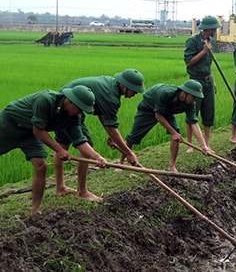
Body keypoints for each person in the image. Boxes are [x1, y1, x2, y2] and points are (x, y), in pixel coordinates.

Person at [0, 86, 107, 215]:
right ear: (70, 101)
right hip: (8, 126)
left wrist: (97, 157)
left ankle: (35, 210)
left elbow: (79, 140)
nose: (80, 112)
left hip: (29, 134)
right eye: (79, 108)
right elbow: (39, 130)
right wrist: (59, 149)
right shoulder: (46, 100)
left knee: (41, 165)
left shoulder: (73, 117)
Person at [53, 69, 145, 202]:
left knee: (63, 145)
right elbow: (112, 127)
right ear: (125, 86)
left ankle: (60, 188)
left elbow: (103, 115)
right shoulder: (111, 96)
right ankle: (82, 192)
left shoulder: (111, 85)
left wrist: (112, 137)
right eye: (134, 90)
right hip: (71, 104)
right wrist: (129, 153)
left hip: (64, 101)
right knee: (86, 146)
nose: (135, 94)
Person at [123, 80, 214, 172]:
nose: (195, 100)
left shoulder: (191, 104)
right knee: (133, 137)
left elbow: (194, 123)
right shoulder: (166, 94)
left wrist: (204, 146)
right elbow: (158, 115)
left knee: (176, 135)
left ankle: (172, 166)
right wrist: (173, 132)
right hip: (148, 108)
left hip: (167, 111)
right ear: (185, 93)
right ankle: (120, 162)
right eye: (193, 97)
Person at [184, 15, 222, 151]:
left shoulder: (211, 41)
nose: (216, 31)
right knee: (192, 112)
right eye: (215, 29)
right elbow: (189, 62)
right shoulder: (192, 41)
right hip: (195, 81)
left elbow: (208, 65)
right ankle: (190, 144)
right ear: (209, 29)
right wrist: (204, 51)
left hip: (208, 81)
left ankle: (206, 143)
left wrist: (213, 81)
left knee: (208, 112)